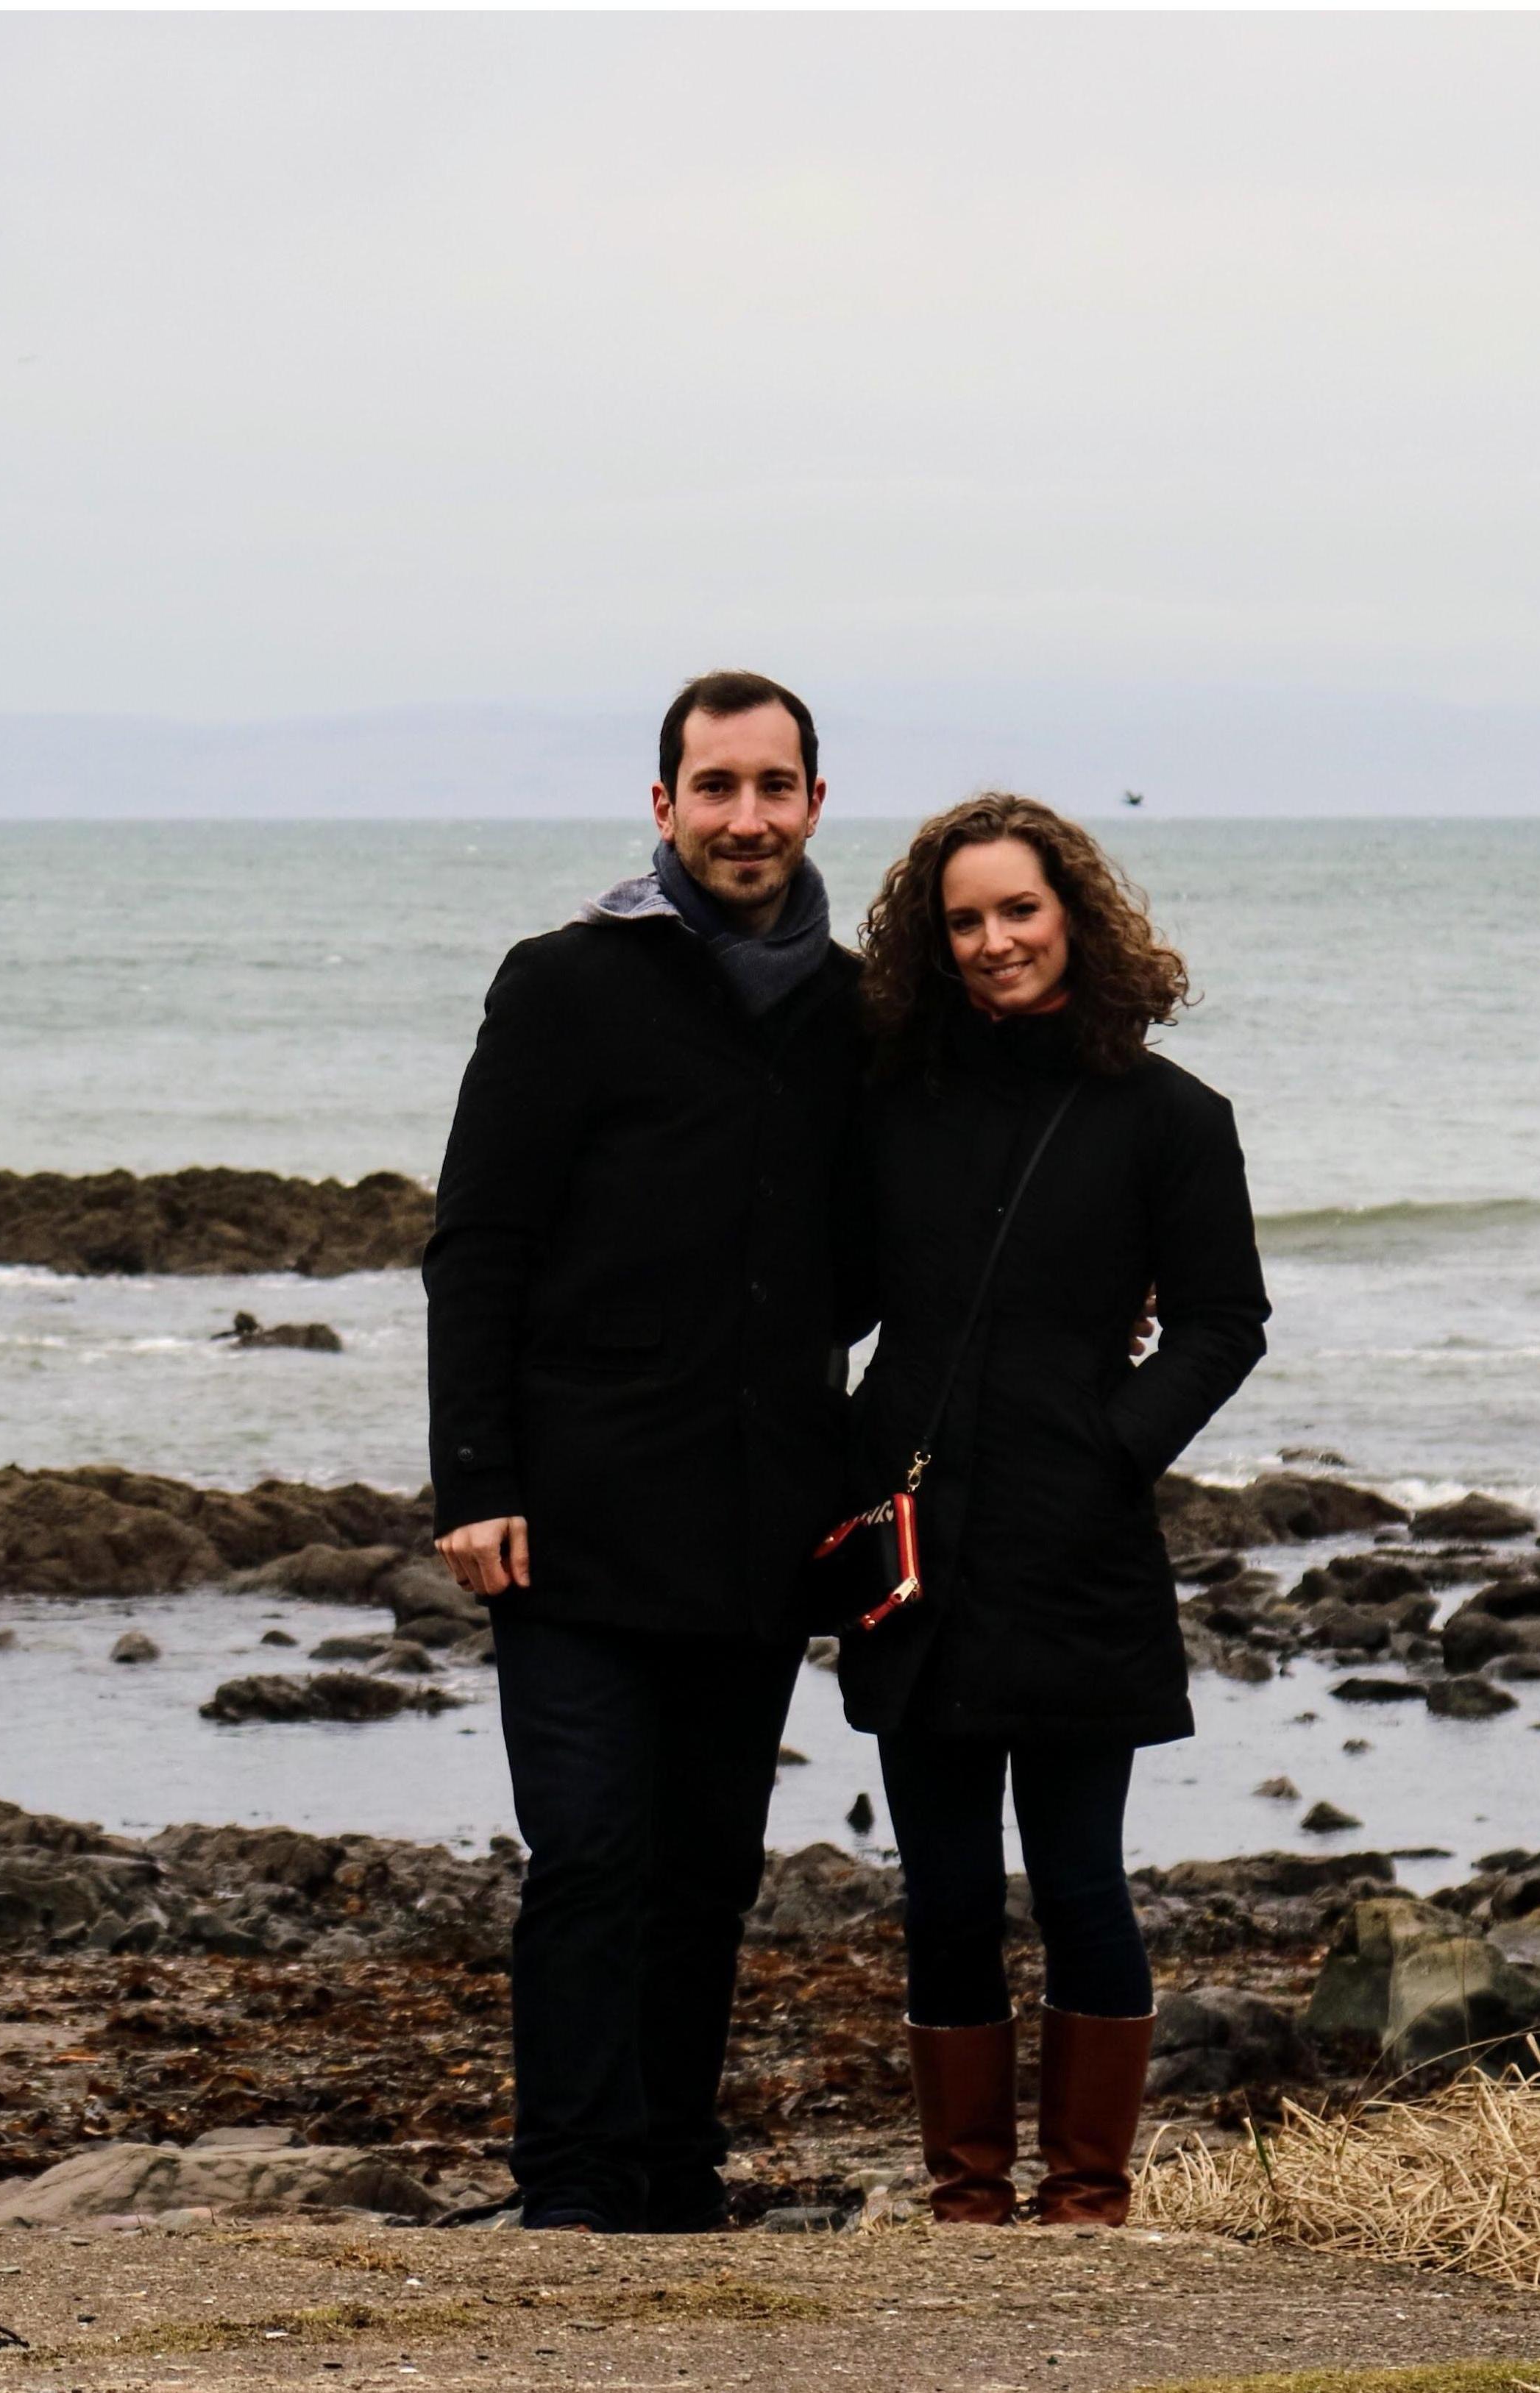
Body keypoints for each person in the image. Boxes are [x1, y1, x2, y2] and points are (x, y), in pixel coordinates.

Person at [424, 670, 864, 2233]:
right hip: (575, 1518)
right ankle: (570, 2189)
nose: (748, 817)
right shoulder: (566, 982)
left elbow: (892, 1248)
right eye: (717, 786)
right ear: (663, 805)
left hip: (761, 1521)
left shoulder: (856, 1012)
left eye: (776, 786)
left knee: (707, 1879)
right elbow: (477, 1245)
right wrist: (474, 1481)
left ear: (816, 803)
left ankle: (676, 2178)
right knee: (593, 1860)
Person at [840, 793, 1269, 2227]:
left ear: (1073, 912)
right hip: (914, 1552)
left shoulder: (1171, 1118)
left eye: (1018, 910)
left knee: (1081, 1882)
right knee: (945, 1892)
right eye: (963, 921)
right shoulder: (891, 1098)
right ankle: (967, 2196)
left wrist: (1112, 1445)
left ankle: (1088, 2196)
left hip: (1079, 1547)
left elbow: (1222, 1323)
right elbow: (832, 1293)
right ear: (932, 938)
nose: (994, 941)